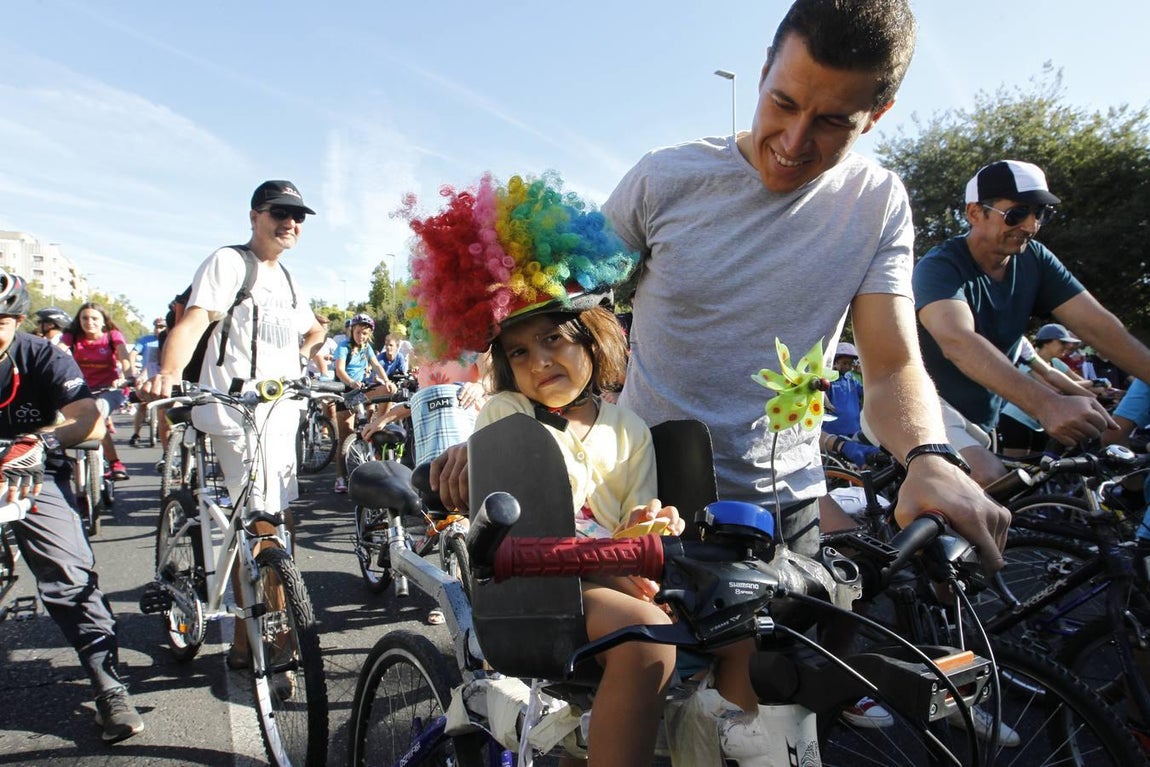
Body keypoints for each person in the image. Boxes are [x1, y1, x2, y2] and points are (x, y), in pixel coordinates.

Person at [406, 171, 715, 766]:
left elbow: (635, 521)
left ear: (593, 340)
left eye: (554, 339)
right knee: (646, 645)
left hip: (620, 573)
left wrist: (651, 525)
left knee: (744, 622)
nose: (538, 361)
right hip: (539, 584)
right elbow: (519, 521)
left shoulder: (629, 429)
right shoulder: (506, 411)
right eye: (518, 352)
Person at [140, 179, 326, 667]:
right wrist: (167, 375)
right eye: (278, 213)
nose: (289, 223)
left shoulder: (287, 279)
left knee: (277, 524)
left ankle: (245, 641)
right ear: (254, 216)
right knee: (262, 525)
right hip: (235, 415)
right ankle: (276, 641)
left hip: (282, 417)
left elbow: (314, 328)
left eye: (298, 217)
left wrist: (304, 357)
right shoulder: (229, 263)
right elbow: (196, 320)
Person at [915, 159, 1150, 484]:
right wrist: (1046, 404)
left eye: (1039, 213)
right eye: (1016, 213)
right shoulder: (940, 266)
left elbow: (1100, 327)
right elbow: (957, 340)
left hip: (982, 419)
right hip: (920, 401)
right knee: (990, 479)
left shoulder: (1035, 259)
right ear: (974, 213)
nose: (1030, 225)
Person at [0, 272, 144, 741]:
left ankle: (109, 688)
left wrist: (43, 442)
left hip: (30, 473)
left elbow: (91, 422)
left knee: (70, 577)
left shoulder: (41, 355)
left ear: (18, 320)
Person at [60, 302, 133, 481]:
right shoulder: (73, 337)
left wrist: (127, 374)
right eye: (84, 318)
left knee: (96, 416)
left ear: (103, 321)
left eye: (94, 318)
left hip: (110, 389)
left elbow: (123, 356)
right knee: (60, 419)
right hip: (81, 390)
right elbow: (58, 354)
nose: (89, 322)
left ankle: (115, 463)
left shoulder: (112, 336)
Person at [332, 312, 394, 493]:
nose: (361, 337)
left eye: (365, 334)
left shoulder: (366, 347)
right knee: (345, 438)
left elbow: (377, 365)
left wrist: (387, 380)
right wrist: (350, 382)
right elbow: (340, 369)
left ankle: (378, 422)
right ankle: (340, 477)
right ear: (352, 331)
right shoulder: (343, 346)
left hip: (361, 390)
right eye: (358, 332)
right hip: (346, 392)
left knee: (387, 391)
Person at [128, 317, 166, 446]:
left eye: (162, 327)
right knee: (142, 405)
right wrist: (133, 370)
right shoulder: (145, 340)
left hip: (162, 376)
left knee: (165, 407)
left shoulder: (168, 339)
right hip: (146, 374)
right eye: (156, 326)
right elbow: (132, 354)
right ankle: (136, 433)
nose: (158, 329)